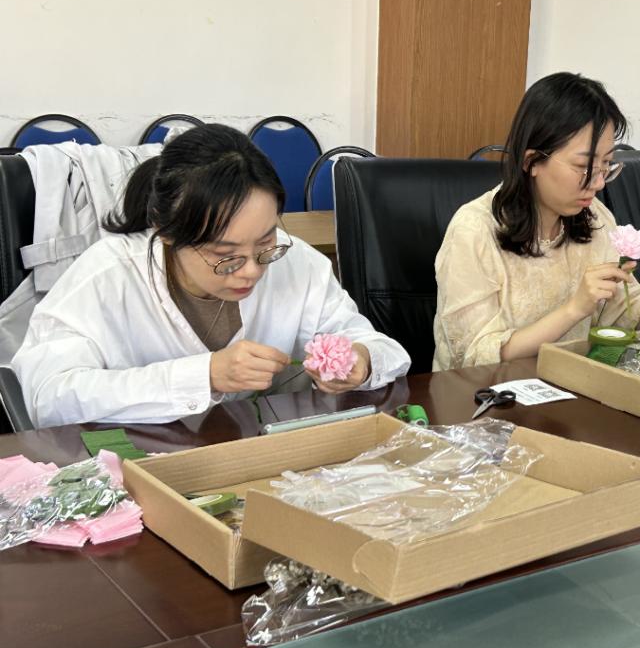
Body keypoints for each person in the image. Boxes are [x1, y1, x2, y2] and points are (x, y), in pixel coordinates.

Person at [13, 124, 410, 428]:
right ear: (166, 232)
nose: (252, 270)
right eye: (226, 257)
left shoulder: (299, 263)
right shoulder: (108, 276)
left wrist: (361, 361)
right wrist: (205, 376)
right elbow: (48, 396)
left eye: (266, 243)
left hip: (264, 459)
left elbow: (385, 350)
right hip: (137, 471)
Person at [433, 72, 640, 370]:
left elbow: (633, 314)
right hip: (485, 399)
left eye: (606, 165)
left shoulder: (593, 218)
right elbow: (476, 358)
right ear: (531, 161)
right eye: (583, 167)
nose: (597, 183)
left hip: (568, 388)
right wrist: (575, 308)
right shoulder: (475, 231)